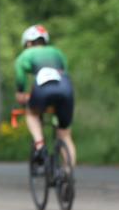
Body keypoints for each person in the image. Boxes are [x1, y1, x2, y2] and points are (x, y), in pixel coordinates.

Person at [14, 24, 76, 166]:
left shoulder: (26, 54)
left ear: (29, 43)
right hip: (66, 89)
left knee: (31, 113)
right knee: (65, 135)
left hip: (42, 89)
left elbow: (20, 76)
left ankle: (40, 145)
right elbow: (64, 71)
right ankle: (68, 177)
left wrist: (20, 92)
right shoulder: (57, 52)